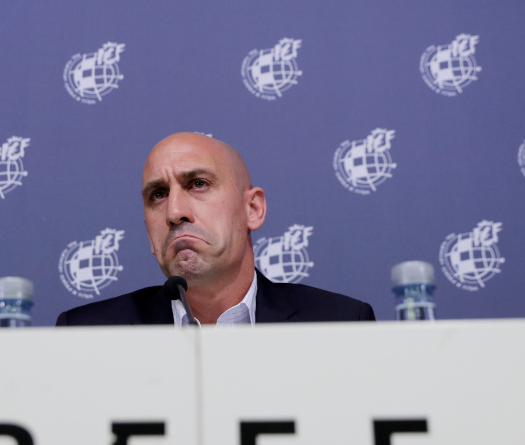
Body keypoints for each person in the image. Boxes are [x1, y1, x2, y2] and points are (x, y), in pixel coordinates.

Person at [55, 132, 375, 326]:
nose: (175, 212)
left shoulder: (340, 323)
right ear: (148, 233)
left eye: (198, 184)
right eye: (158, 194)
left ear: (253, 209)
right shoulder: (88, 333)